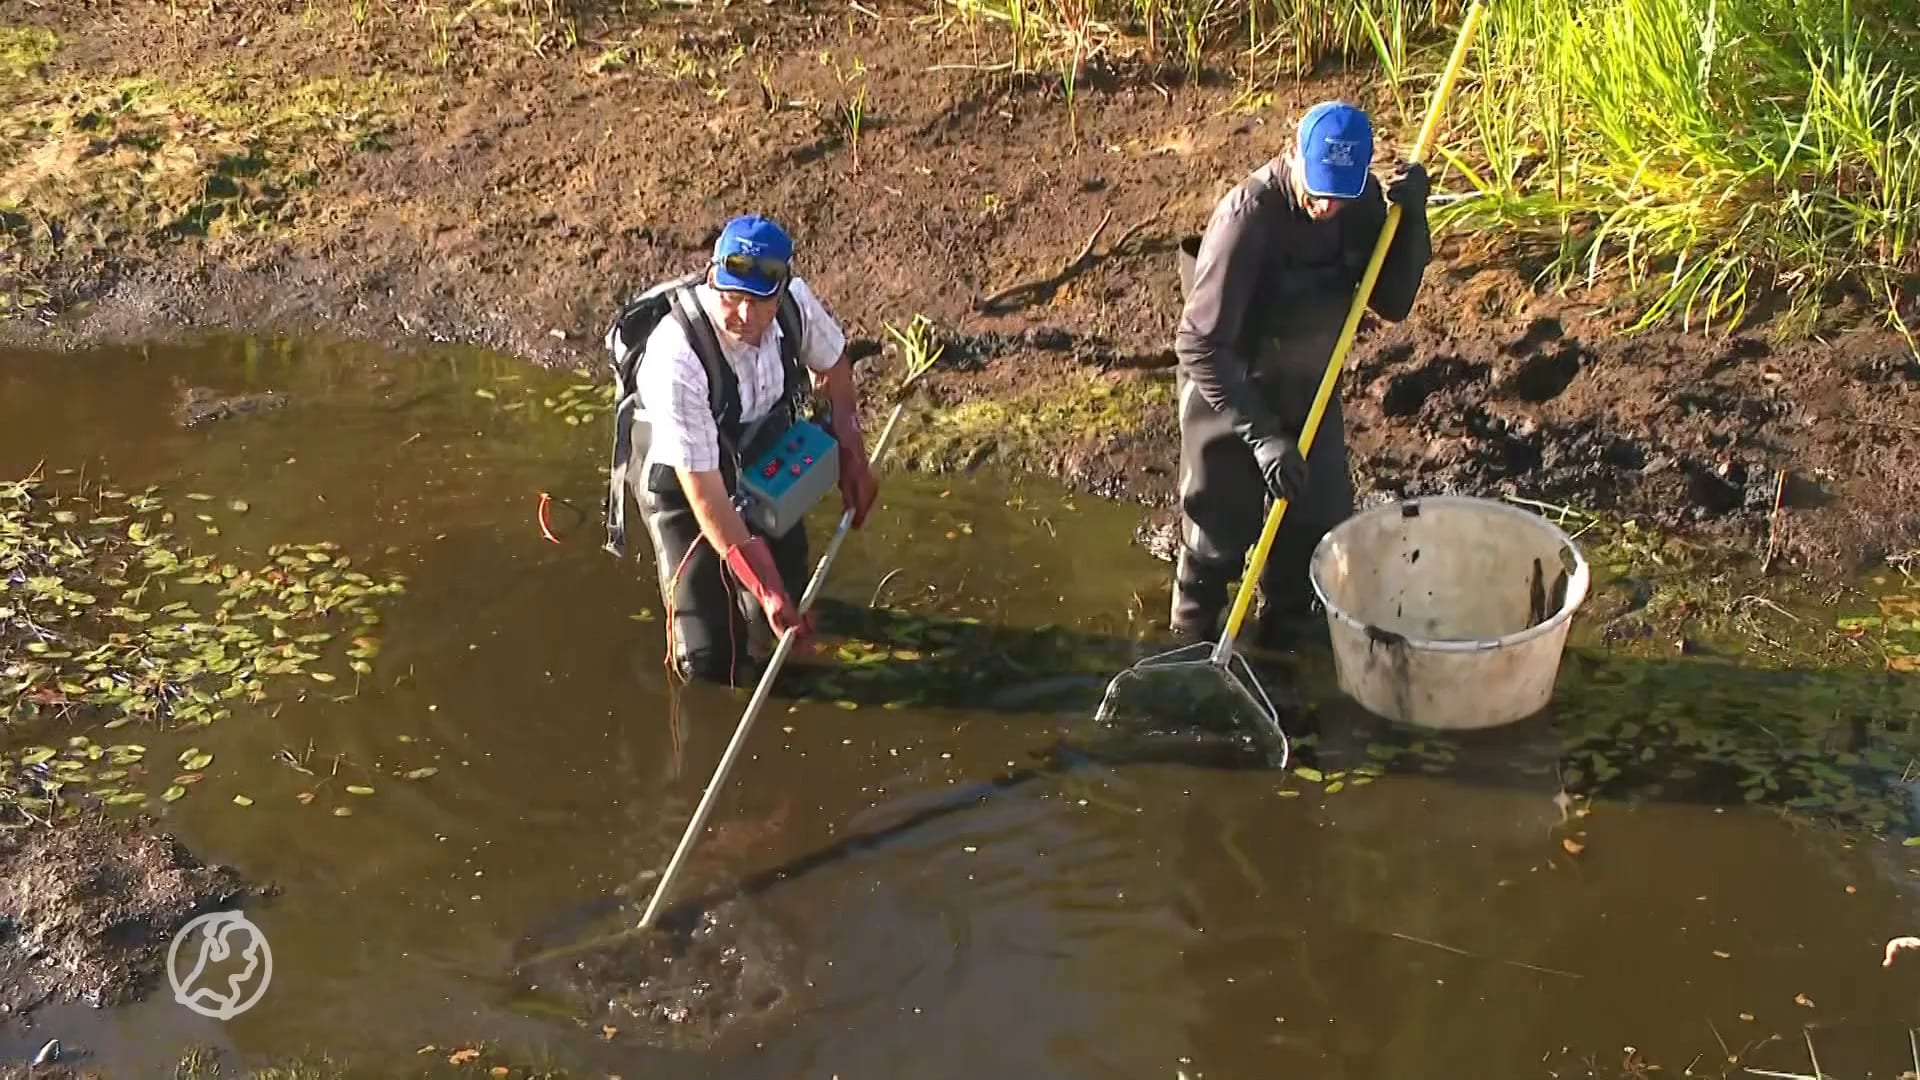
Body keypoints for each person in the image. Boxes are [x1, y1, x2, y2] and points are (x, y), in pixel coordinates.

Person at [1170, 99, 1433, 647]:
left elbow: (1392, 301)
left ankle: (1284, 651)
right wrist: (1263, 437)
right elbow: (1198, 343)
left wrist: (1411, 225)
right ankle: (1188, 646)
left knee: (1314, 530)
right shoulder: (1247, 216)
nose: (1324, 205)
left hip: (1310, 389)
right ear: (1292, 153)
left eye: (1338, 192)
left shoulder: (1356, 206)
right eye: (1316, 188)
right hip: (1231, 386)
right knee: (1218, 531)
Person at [631, 214, 879, 685]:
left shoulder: (795, 306)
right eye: (732, 298)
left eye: (760, 302)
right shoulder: (677, 358)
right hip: (687, 483)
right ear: (712, 281)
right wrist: (763, 586)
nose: (745, 317)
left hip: (760, 458)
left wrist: (851, 449)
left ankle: (766, 606)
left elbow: (836, 371)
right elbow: (705, 495)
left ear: (781, 291)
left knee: (792, 608)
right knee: (708, 662)